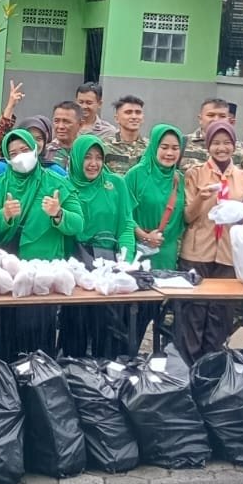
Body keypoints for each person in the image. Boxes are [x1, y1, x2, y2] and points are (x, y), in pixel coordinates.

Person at [0, 128, 84, 360]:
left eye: (25, 149)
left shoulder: (56, 183)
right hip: (7, 276)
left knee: (39, 337)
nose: (20, 156)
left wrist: (58, 214)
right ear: (7, 158)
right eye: (13, 152)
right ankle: (5, 383)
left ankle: (38, 386)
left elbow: (78, 224)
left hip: (43, 277)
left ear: (35, 149)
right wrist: (4, 216)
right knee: (5, 333)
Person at [176, 121, 243, 362]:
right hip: (197, 251)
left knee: (221, 313)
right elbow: (188, 216)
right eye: (216, 143)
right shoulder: (195, 173)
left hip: (228, 253)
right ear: (208, 145)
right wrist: (200, 198)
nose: (222, 148)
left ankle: (214, 367)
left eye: (227, 143)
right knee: (194, 313)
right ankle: (189, 368)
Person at [62, 134, 136, 359]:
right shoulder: (64, 186)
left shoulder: (116, 184)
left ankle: (106, 384)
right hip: (76, 267)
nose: (93, 163)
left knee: (109, 332)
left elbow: (126, 225)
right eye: (87, 157)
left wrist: (126, 259)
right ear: (75, 158)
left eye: (98, 157)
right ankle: (76, 382)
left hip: (110, 269)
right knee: (76, 330)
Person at [123, 126, 187, 352]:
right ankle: (128, 359)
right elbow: (124, 214)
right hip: (139, 253)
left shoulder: (179, 179)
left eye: (175, 148)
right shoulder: (136, 175)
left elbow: (184, 217)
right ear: (154, 148)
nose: (169, 153)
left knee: (159, 315)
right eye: (164, 147)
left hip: (167, 255)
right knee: (133, 316)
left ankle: (157, 367)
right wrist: (144, 235)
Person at [180, 98, 233, 168]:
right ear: (200, 119)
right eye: (211, 115)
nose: (216, 120)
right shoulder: (182, 143)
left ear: (229, 120)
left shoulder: (242, 149)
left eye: (222, 116)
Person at [102, 95, 148, 176]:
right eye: (128, 112)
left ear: (143, 118)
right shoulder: (104, 145)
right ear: (116, 118)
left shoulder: (150, 147)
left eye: (138, 112)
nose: (134, 117)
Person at [48, 102, 83, 169]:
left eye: (66, 122)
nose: (60, 126)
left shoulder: (86, 152)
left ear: (80, 124)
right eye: (56, 121)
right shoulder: (44, 153)